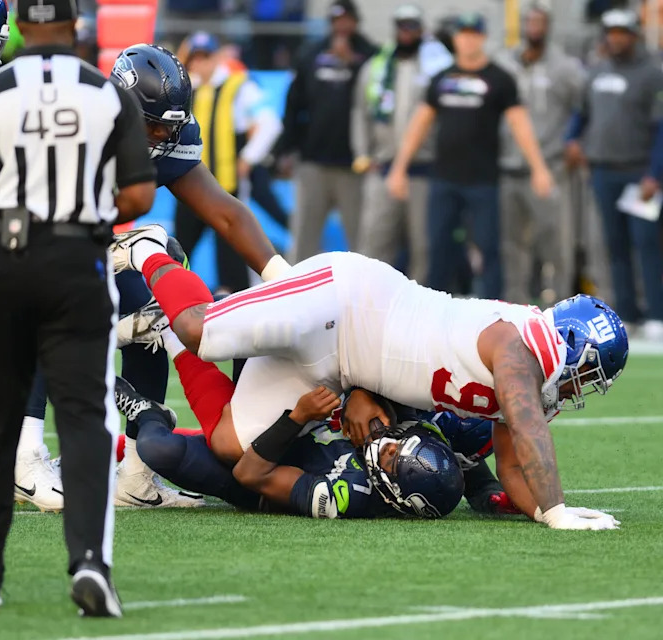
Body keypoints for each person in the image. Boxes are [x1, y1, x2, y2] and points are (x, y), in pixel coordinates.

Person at [113, 225, 628, 531]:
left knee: (229, 442)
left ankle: (169, 320)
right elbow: (527, 423)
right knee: (200, 330)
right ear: (571, 346)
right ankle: (149, 250)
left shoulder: (528, 381)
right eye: (588, 374)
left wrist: (543, 512)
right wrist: (556, 508)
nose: (580, 387)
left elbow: (513, 467)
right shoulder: (516, 345)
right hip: (346, 301)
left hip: (344, 367)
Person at [0, 42, 288, 513]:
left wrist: (282, 276)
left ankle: (135, 477)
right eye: (151, 124)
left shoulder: (166, 136)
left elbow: (225, 212)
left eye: (168, 126)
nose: (160, 136)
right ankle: (23, 458)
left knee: (150, 313)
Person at [0, 0, 158, 615]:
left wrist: (5, 217)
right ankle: (89, 564)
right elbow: (139, 193)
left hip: (4, 262)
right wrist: (86, 211)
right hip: (77, 260)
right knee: (85, 419)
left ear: (20, 27)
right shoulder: (106, 94)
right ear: (74, 24)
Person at [114, 348, 516, 520]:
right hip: (302, 420)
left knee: (158, 448)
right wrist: (360, 392)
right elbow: (463, 472)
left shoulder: (348, 494)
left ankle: (150, 411)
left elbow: (250, 474)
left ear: (394, 493)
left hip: (261, 465)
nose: (390, 441)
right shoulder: (426, 439)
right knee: (249, 330)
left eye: (392, 456)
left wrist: (296, 417)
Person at [387, 11, 554, 299]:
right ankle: (434, 309)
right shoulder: (442, 78)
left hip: (483, 180)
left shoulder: (499, 78)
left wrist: (539, 168)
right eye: (462, 34)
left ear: (483, 37)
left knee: (489, 248)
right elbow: (419, 124)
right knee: (438, 248)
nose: (468, 41)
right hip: (444, 178)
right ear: (455, 38)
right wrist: (398, 168)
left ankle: (492, 309)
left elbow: (520, 125)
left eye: (473, 34)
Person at [565, 9, 663, 341]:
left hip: (638, 172)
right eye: (611, 32)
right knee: (614, 246)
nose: (615, 38)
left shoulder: (652, 74)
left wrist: (655, 173)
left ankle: (656, 314)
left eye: (622, 32)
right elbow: (581, 114)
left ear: (634, 35)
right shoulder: (597, 72)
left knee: (646, 244)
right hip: (603, 170)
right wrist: (572, 139)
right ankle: (627, 313)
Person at [350, 4, 451, 285]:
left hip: (424, 169)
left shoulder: (436, 67)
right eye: (401, 25)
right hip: (382, 166)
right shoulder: (376, 67)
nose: (406, 31)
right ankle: (369, 299)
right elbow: (360, 112)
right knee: (374, 242)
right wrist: (363, 153)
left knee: (424, 244)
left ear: (421, 29)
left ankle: (422, 304)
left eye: (412, 26)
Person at [175, 31, 282, 294]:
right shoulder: (187, 88)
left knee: (232, 253)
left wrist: (248, 158)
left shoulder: (238, 86)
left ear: (216, 57)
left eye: (205, 57)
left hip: (226, 186)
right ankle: (175, 299)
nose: (199, 64)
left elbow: (270, 123)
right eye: (195, 58)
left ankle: (236, 299)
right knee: (179, 250)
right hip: (189, 185)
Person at [495, 1, 586, 304]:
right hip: (508, 165)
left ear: (548, 26)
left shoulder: (565, 67)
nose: (534, 27)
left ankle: (561, 305)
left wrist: (574, 140)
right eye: (529, 21)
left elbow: (585, 106)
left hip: (550, 165)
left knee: (556, 240)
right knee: (511, 244)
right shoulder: (505, 63)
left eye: (539, 22)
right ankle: (515, 306)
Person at [278, 0, 377, 260]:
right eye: (336, 21)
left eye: (346, 20)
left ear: (355, 22)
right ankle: (296, 282)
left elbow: (376, 103)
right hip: (313, 161)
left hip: (353, 165)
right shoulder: (311, 54)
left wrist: (352, 63)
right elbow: (294, 104)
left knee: (361, 240)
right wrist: (286, 149)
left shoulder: (371, 56)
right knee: (303, 236)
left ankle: (363, 285)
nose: (341, 26)